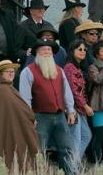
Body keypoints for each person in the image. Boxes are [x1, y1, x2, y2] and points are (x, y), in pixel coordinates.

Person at [19, 39, 77, 175]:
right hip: (40, 117)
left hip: (59, 115)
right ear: (37, 53)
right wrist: (30, 118)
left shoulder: (59, 70)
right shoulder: (28, 71)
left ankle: (70, 172)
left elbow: (66, 91)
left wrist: (71, 111)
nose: (47, 52)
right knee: (39, 151)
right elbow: (25, 98)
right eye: (43, 49)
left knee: (67, 148)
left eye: (49, 50)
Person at [0, 60, 40, 173]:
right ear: (1, 74)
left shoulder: (8, 88)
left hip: (11, 126)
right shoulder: (1, 89)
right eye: (7, 71)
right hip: (8, 129)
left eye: (13, 71)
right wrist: (30, 117)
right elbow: (18, 109)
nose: (11, 73)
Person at [64, 39, 93, 166]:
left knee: (86, 136)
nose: (83, 51)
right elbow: (74, 91)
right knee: (77, 138)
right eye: (79, 49)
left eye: (85, 49)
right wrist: (86, 106)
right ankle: (72, 166)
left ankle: (73, 164)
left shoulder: (77, 67)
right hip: (74, 109)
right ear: (72, 51)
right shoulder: (70, 68)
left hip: (79, 109)